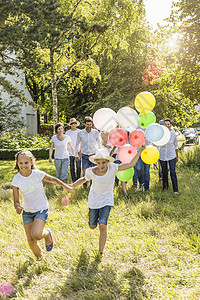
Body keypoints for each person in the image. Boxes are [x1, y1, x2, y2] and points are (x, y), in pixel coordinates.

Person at [72, 146, 145, 255]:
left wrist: (139, 151)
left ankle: (100, 252)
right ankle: (92, 216)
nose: (101, 165)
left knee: (102, 225)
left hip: (107, 199)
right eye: (99, 163)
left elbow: (130, 165)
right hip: (94, 200)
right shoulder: (91, 171)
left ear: (108, 162)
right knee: (92, 226)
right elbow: (83, 179)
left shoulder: (113, 168)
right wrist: (72, 185)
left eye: (104, 163)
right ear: (95, 162)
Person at [12, 150, 73, 259]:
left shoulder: (37, 174)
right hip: (27, 212)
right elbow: (16, 200)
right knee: (31, 241)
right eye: (20, 163)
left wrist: (66, 186)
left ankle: (47, 233)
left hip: (41, 209)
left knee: (36, 234)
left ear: (31, 162)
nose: (23, 165)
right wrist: (17, 207)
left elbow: (53, 180)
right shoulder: (16, 179)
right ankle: (40, 259)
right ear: (17, 163)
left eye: (26, 162)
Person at [74, 116, 102, 188]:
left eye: (90, 124)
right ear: (84, 124)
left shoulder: (96, 133)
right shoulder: (80, 133)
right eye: (87, 124)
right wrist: (76, 155)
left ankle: (93, 186)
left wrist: (100, 154)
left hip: (93, 155)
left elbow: (99, 144)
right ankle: (85, 185)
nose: (89, 126)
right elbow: (77, 144)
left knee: (94, 171)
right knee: (85, 172)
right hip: (85, 155)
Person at [158, 118, 179, 194]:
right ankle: (165, 188)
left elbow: (176, 146)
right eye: (165, 124)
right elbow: (157, 144)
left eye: (168, 124)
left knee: (173, 172)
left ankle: (175, 190)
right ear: (163, 125)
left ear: (170, 125)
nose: (167, 126)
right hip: (162, 156)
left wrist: (177, 156)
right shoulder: (161, 134)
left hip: (171, 156)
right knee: (164, 173)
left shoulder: (173, 134)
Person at [65, 118, 81, 182]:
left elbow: (82, 142)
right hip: (70, 152)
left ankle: (78, 179)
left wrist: (80, 151)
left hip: (78, 151)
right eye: (72, 124)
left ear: (76, 124)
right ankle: (74, 180)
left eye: (74, 123)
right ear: (70, 125)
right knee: (72, 168)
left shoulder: (79, 132)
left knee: (79, 167)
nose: (73, 125)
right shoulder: (67, 133)